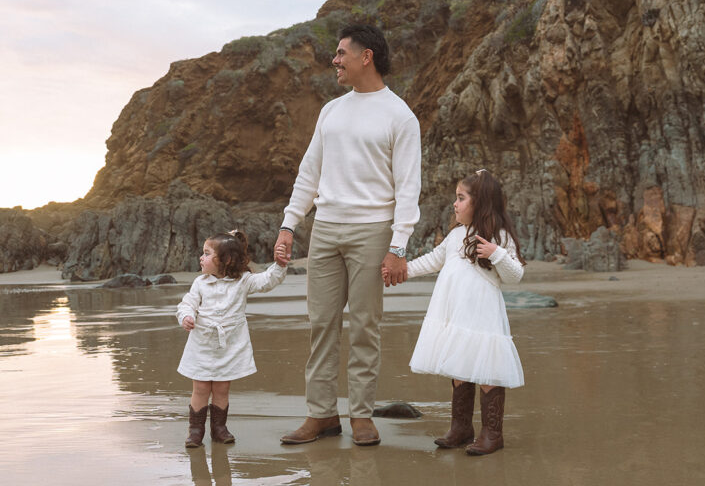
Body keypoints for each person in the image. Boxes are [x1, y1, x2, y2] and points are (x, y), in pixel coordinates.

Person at [275, 24, 422, 447]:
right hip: (325, 228)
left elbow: (408, 187)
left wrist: (398, 247)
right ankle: (321, 415)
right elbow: (309, 173)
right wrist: (289, 225)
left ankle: (361, 415)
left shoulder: (400, 116)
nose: (334, 61)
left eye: (341, 53)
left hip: (373, 230)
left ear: (366, 56)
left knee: (364, 326)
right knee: (321, 323)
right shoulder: (331, 112)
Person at [400, 169, 526, 455]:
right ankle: (461, 427)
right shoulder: (456, 235)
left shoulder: (499, 236)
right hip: (455, 313)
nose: (454, 204)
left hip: (483, 314)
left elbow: (515, 275)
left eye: (460, 198)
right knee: (460, 366)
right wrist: (403, 271)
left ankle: (492, 433)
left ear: (480, 202)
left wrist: (497, 253)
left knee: (487, 370)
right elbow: (433, 260)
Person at [177, 230, 288, 448]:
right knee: (200, 387)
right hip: (202, 344)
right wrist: (186, 316)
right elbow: (187, 303)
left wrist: (280, 265)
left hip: (228, 345)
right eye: (203, 253)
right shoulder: (200, 283)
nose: (201, 257)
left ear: (225, 260)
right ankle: (195, 431)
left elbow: (266, 281)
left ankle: (219, 428)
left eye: (207, 253)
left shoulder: (243, 281)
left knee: (221, 388)